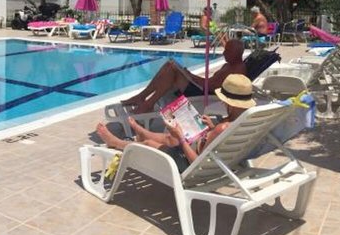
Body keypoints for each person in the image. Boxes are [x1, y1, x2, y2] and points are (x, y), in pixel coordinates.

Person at [96, 73, 257, 171]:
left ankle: (116, 143)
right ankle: (142, 132)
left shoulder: (223, 127)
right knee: (170, 138)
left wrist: (181, 137)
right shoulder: (245, 121)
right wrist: (211, 128)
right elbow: (220, 141)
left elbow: (196, 163)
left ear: (229, 102)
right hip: (211, 157)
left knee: (150, 144)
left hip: (191, 163)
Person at [120, 39, 246, 113]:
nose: (223, 53)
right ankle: (143, 98)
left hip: (205, 95)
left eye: (227, 51)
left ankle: (147, 103)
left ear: (235, 53)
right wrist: (190, 76)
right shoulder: (230, 65)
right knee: (170, 65)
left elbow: (211, 86)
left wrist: (191, 76)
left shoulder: (236, 70)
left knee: (172, 70)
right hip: (203, 89)